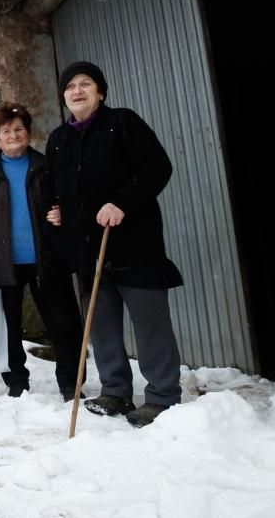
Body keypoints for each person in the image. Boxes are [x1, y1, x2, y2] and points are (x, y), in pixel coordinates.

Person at [45, 61, 183, 428]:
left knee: (150, 323)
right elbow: (55, 188)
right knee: (101, 325)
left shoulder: (122, 123)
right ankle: (115, 390)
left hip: (134, 247)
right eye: (70, 86)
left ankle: (162, 395)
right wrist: (55, 210)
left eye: (85, 84)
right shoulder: (60, 140)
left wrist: (121, 203)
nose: (77, 91)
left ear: (100, 91)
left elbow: (158, 168)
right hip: (89, 252)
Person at [0, 103, 85, 400]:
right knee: (8, 328)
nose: (13, 135)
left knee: (63, 324)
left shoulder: (46, 168)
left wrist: (63, 214)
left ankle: (70, 383)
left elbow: (70, 203)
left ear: (28, 133)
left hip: (48, 261)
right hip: (3, 266)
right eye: (7, 131)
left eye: (19, 129)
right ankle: (16, 381)